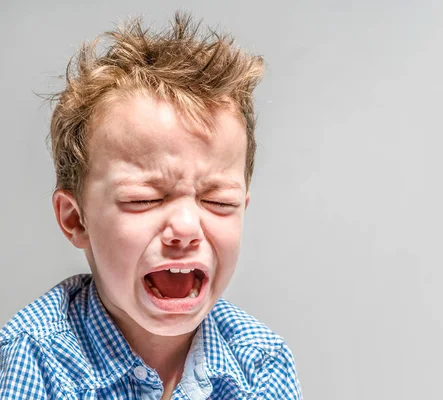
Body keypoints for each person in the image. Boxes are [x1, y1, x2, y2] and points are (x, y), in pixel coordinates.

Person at [0, 12, 301, 400]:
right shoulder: (35, 356)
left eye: (218, 201)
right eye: (143, 199)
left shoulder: (262, 362)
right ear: (76, 219)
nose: (187, 227)